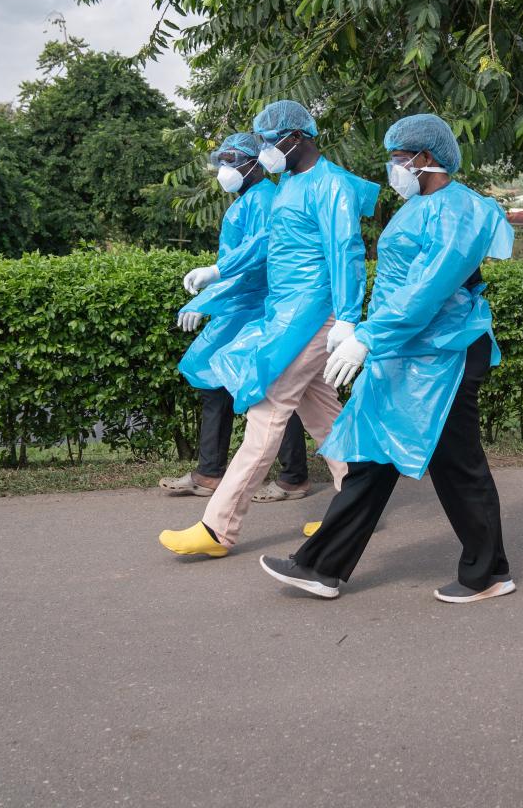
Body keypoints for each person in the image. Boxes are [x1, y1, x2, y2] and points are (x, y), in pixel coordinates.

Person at [257, 113, 517, 604]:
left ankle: (489, 573)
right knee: (372, 456)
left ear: (428, 158)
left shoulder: (460, 209)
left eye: (399, 158)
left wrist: (369, 336)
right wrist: (364, 332)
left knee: (457, 464)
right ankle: (320, 566)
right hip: (405, 351)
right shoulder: (418, 205)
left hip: (446, 353)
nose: (393, 167)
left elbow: (427, 289)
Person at [158, 100, 378, 558]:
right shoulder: (289, 184)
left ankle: (218, 527)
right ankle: (359, 505)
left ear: (298, 137)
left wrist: (349, 320)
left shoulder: (331, 186)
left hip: (315, 315)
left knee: (267, 407)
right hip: (288, 312)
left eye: (269, 141)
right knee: (322, 414)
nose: (264, 150)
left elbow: (346, 253)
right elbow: (265, 243)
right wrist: (219, 270)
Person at [160, 132, 313, 503]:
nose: (224, 169)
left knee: (268, 389)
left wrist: (211, 289)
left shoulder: (261, 199)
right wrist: (214, 292)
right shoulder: (250, 199)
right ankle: (213, 471)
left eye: (232, 161)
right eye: (222, 162)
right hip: (242, 306)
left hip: (256, 307)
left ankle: (290, 477)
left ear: (255, 163)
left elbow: (255, 260)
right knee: (226, 383)